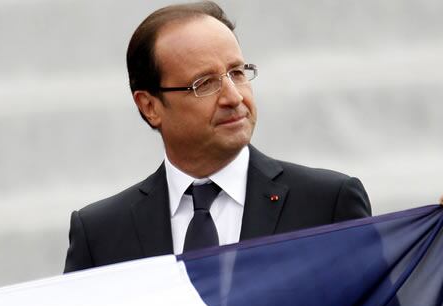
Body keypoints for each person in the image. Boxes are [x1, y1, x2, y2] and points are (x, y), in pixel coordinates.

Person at [64, 1, 371, 273]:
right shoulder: (100, 234)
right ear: (150, 106)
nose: (234, 97)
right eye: (205, 83)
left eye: (237, 73)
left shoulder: (328, 204)